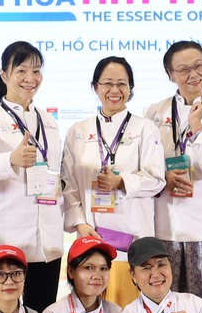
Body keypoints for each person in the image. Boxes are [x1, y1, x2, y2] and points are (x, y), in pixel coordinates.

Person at [0, 41, 70, 311]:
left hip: (46, 239)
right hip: (5, 236)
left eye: (36, 71)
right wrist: (11, 159)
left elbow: (55, 174)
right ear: (4, 75)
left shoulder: (49, 122)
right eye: (22, 71)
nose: (30, 78)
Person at [148, 40, 202, 306]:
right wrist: (163, 176)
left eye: (198, 65)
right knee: (166, 309)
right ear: (170, 75)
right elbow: (147, 163)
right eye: (184, 69)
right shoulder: (155, 112)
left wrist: (198, 128)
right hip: (164, 227)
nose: (193, 74)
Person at [64, 57, 166, 253]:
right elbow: (68, 185)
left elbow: (156, 180)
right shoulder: (78, 131)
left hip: (134, 234)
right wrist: (79, 224)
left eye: (121, 84)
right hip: (91, 233)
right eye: (108, 84)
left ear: (130, 88)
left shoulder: (145, 128)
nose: (115, 90)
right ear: (96, 87)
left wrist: (120, 182)